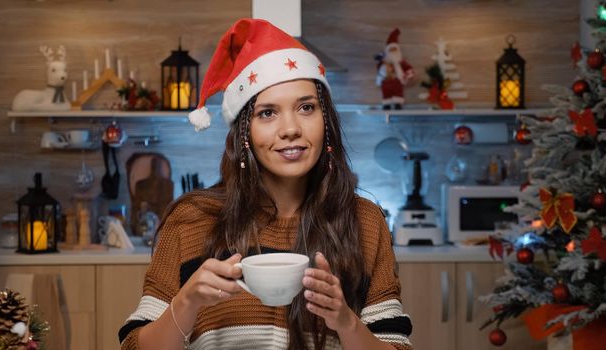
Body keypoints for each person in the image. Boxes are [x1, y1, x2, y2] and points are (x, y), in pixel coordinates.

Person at [119, 18, 412, 350]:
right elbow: (134, 346)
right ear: (244, 134)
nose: (290, 129)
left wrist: (345, 321)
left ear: (325, 121)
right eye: (267, 113)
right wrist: (186, 303)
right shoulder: (191, 220)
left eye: (306, 107)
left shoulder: (365, 222)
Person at [375, 28, 415, 110]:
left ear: (398, 51)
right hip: (386, 81)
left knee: (398, 93)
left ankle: (398, 104)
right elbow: (378, 67)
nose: (393, 53)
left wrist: (408, 75)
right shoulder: (384, 63)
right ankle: (387, 104)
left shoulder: (401, 62)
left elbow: (409, 69)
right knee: (386, 93)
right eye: (391, 50)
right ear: (387, 51)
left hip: (397, 81)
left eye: (395, 50)